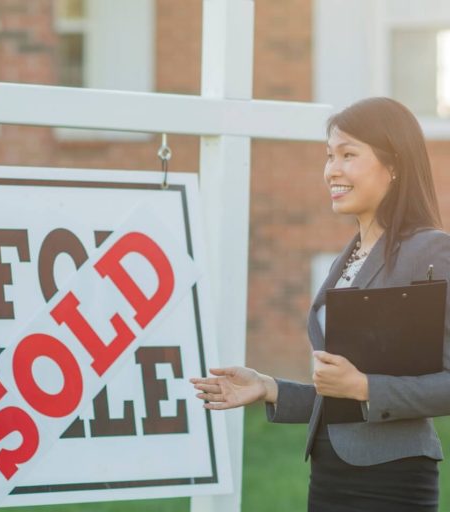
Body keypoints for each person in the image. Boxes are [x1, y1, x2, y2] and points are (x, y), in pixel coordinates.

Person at [191, 97, 450, 512]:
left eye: (349, 155)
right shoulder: (345, 260)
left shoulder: (430, 251)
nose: (332, 169)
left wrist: (366, 387)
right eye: (329, 156)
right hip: (331, 475)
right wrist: (269, 387)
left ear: (395, 165)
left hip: (390, 481)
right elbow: (342, 395)